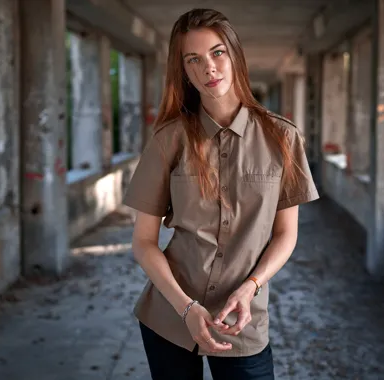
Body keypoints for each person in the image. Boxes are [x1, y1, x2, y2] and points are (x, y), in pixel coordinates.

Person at [122, 8, 319, 380]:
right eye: (193, 59)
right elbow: (144, 242)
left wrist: (251, 287)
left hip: (243, 321)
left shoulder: (283, 139)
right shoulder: (169, 140)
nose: (208, 68)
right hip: (170, 317)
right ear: (182, 70)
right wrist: (186, 308)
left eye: (217, 53)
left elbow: (286, 234)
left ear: (235, 55)